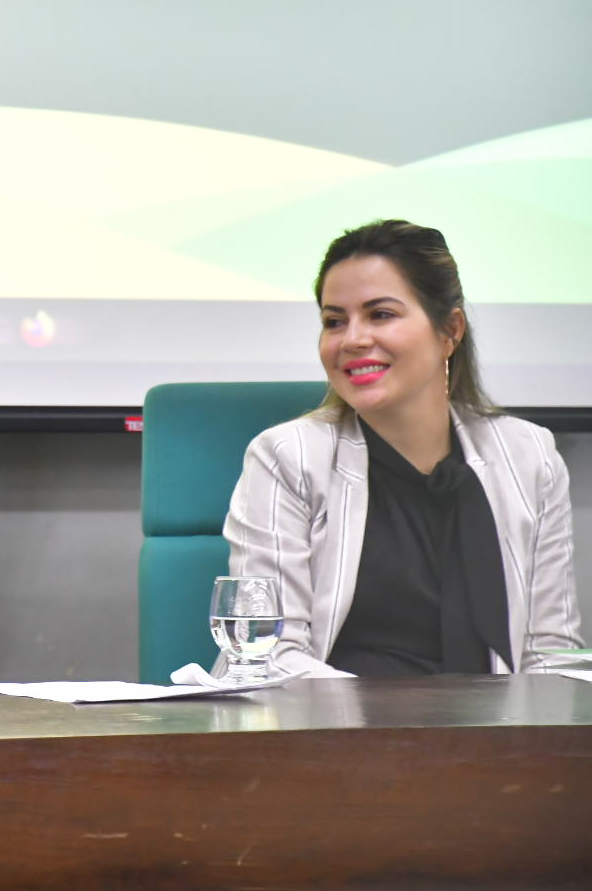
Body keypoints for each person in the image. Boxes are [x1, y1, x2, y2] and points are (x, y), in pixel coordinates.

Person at [223, 219, 581, 679]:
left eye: (381, 314)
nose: (352, 339)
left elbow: (550, 653)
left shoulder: (530, 455)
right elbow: (268, 655)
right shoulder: (286, 457)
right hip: (332, 736)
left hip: (492, 739)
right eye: (334, 321)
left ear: (449, 330)